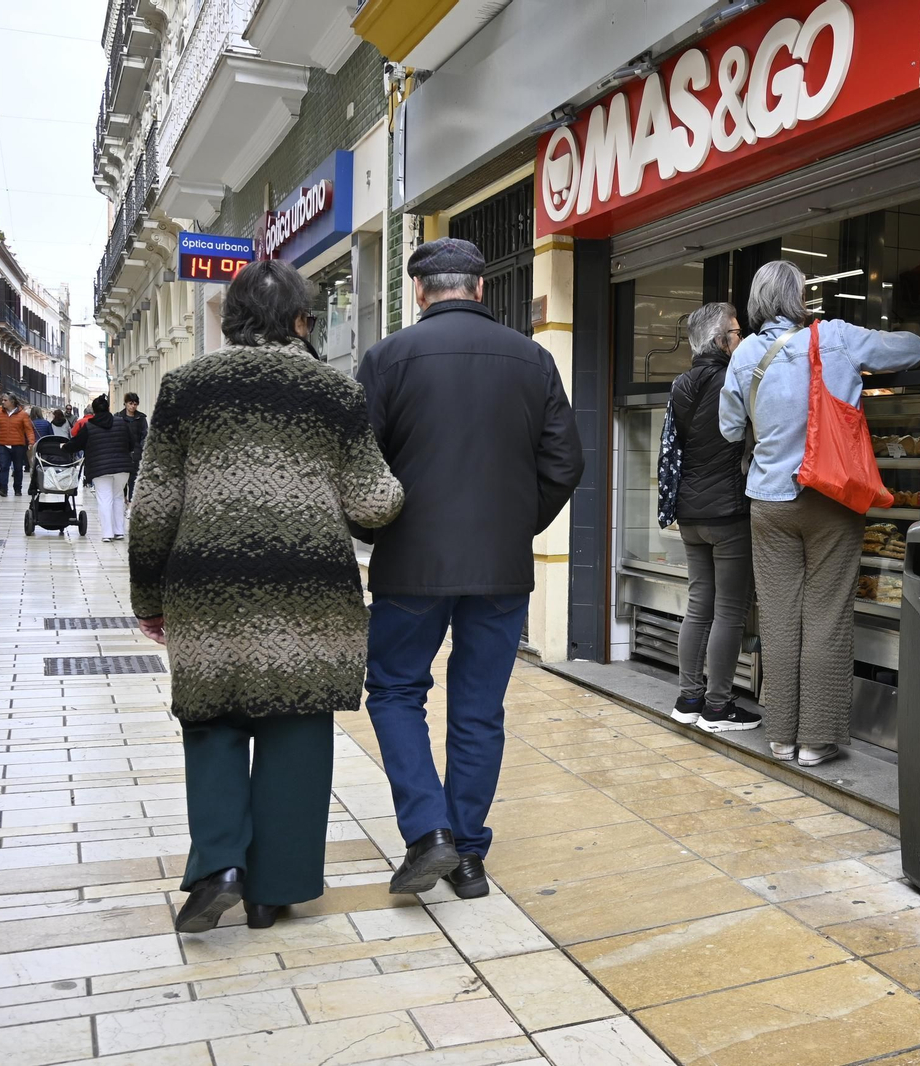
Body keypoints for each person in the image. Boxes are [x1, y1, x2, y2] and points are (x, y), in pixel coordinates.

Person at [130, 259, 403, 933]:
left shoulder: (186, 386)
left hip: (207, 582)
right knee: (297, 723)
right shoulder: (334, 392)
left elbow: (154, 503)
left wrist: (148, 598)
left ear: (229, 320)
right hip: (309, 587)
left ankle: (221, 863)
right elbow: (372, 502)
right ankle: (272, 890)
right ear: (302, 321)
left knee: (213, 720)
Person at [358, 237, 583, 899]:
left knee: (397, 691)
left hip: (409, 563)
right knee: (479, 710)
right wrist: (516, 527)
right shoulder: (533, 359)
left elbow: (357, 468)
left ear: (421, 292)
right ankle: (470, 858)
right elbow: (565, 464)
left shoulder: (386, 358)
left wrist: (373, 532)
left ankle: (429, 832)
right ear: (480, 289)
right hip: (502, 567)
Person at [719, 261, 920, 767]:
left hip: (769, 502)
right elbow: (913, 350)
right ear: (798, 298)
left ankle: (781, 737)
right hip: (832, 497)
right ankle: (815, 741)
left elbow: (728, 430)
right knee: (826, 616)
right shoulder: (834, 336)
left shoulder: (745, 353)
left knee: (780, 617)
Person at [660, 302, 759, 734]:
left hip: (690, 513)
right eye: (737, 333)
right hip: (727, 514)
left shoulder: (682, 383)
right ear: (722, 341)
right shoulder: (734, 380)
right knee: (729, 611)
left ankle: (688, 699)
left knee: (699, 606)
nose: (742, 339)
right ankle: (718, 707)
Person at [70, 394, 138, 542]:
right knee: (119, 496)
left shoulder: (89, 426)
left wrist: (62, 448)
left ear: (93, 411)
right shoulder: (121, 423)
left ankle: (107, 533)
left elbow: (76, 444)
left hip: (100, 468)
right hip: (122, 467)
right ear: (108, 408)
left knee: (104, 499)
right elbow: (132, 444)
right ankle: (119, 531)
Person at [0, 395, 35, 495]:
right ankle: (3, 489)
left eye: (5, 400)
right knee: (3, 467)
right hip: (3, 445)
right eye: (2, 400)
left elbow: (29, 429)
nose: (3, 402)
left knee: (18, 468)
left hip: (18, 445)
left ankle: (18, 489)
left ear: (12, 402)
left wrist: (31, 442)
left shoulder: (23, 415)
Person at [120, 392, 148, 501]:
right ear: (126, 403)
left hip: (136, 453)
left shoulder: (141, 418)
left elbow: (144, 435)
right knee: (122, 479)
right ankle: (122, 500)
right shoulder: (118, 417)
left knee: (133, 479)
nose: (133, 406)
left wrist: (140, 449)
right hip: (122, 452)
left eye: (135, 404)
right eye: (130, 403)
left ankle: (131, 501)